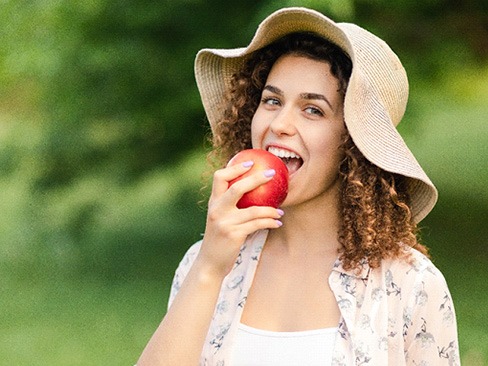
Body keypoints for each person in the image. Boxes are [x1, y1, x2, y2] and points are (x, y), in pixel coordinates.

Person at [137, 7, 460, 366]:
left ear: (354, 144)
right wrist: (209, 268)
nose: (280, 124)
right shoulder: (205, 263)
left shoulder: (411, 285)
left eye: (313, 110)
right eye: (272, 101)